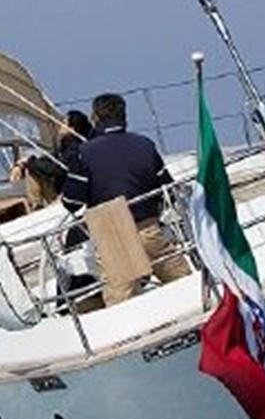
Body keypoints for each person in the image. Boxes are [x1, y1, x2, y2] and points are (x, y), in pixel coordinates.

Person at [62, 93, 190, 304]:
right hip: (150, 230)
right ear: (124, 116)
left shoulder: (84, 153)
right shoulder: (145, 145)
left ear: (95, 118)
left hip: (113, 235)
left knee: (124, 303)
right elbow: (167, 187)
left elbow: (72, 202)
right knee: (185, 284)